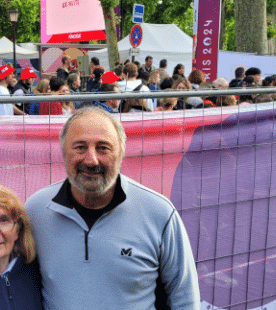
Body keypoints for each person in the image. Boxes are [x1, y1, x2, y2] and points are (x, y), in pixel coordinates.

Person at [26, 107, 200, 309]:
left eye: (103, 148)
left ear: (121, 154)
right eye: (80, 147)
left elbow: (185, 297)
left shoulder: (159, 213)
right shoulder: (35, 211)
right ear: (64, 152)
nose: (91, 160)